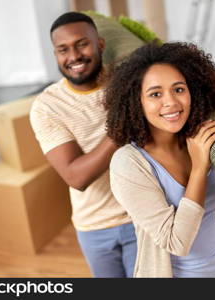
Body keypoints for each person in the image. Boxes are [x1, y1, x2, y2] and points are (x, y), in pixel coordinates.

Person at [104, 42, 215, 278]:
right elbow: (177, 243)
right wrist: (198, 168)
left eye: (179, 89)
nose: (171, 102)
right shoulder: (128, 164)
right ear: (136, 102)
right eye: (155, 94)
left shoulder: (202, 142)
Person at [29, 12, 137, 278]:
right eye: (63, 49)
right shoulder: (47, 106)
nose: (74, 56)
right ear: (55, 54)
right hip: (94, 227)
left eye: (82, 44)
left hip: (142, 216)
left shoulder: (127, 85)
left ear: (100, 45)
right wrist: (121, 126)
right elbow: (76, 176)